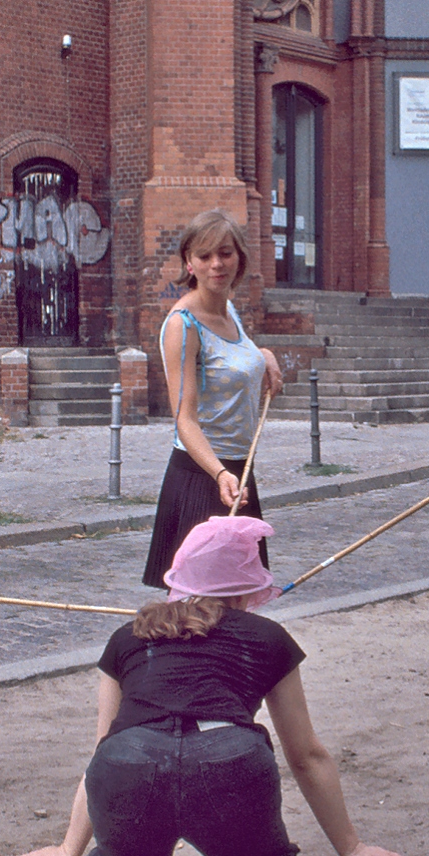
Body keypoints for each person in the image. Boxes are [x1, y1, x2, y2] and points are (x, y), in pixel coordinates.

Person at [0, 515, 420, 856]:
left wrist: (69, 848)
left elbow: (102, 747)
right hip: (227, 761)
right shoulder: (267, 637)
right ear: (243, 590)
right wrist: (351, 847)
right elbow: (306, 755)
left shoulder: (127, 637)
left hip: (129, 758)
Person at [142, 210, 283, 590]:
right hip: (203, 479)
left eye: (225, 253)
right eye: (205, 256)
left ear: (240, 258)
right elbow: (184, 420)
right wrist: (220, 473)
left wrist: (263, 355)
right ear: (189, 263)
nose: (216, 264)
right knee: (198, 611)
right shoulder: (182, 325)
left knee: (238, 601)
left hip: (240, 472)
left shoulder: (228, 308)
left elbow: (235, 357)